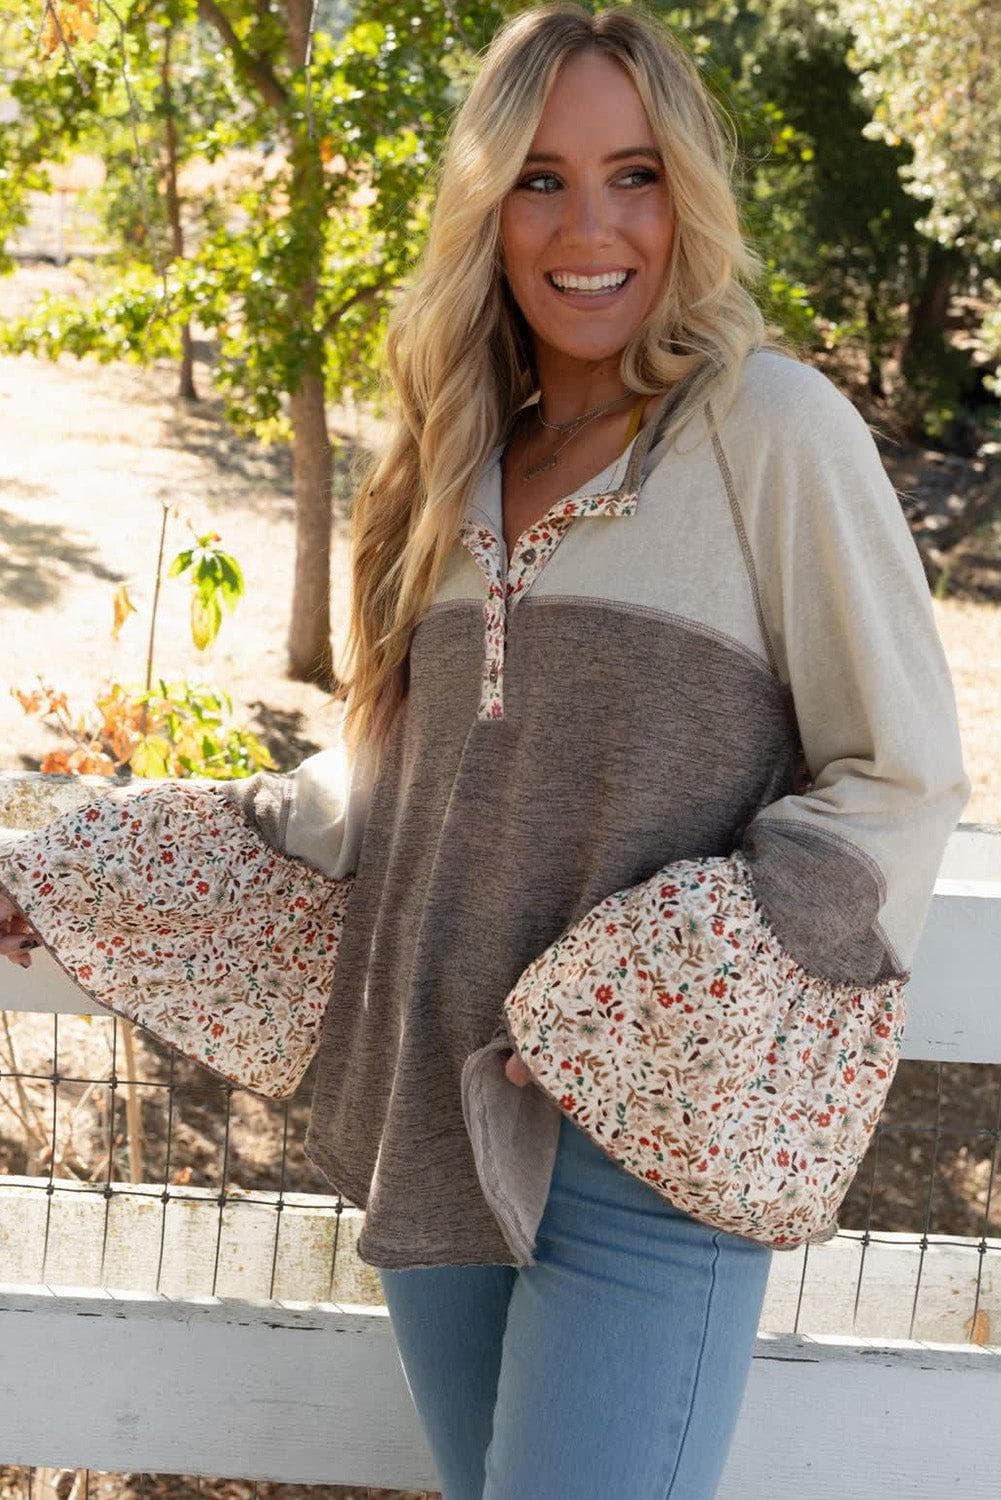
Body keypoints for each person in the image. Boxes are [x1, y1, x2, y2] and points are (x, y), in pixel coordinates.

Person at [1, 4, 972, 1497]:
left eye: (634, 175)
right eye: (539, 179)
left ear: (687, 197)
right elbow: (375, 799)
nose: (589, 227)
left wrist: (649, 984)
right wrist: (72, 868)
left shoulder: (768, 431)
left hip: (649, 1139)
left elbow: (900, 777)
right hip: (432, 1114)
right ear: (486, 209)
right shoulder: (449, 471)